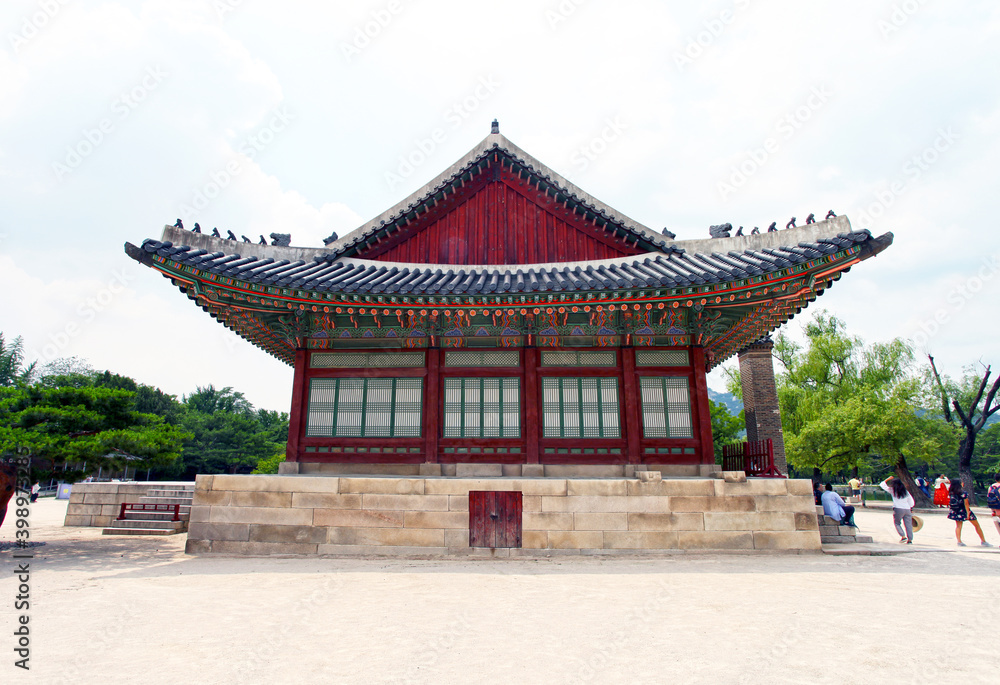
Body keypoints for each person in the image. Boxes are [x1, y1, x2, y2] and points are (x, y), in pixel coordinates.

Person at [947, 479, 992, 547]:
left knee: (958, 526)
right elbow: (966, 504)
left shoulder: (952, 492)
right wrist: (968, 513)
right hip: (964, 510)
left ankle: (959, 541)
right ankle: (983, 541)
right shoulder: (963, 493)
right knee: (977, 525)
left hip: (956, 510)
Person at [879, 477, 915, 543]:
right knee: (908, 525)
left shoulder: (892, 490)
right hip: (907, 509)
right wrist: (910, 507)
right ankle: (910, 539)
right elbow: (911, 502)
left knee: (897, 523)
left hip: (898, 509)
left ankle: (903, 536)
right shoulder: (906, 491)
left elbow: (882, 485)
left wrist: (888, 479)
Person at [985, 473, 1000, 539]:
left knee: (997, 524)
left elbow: (989, 497)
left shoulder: (991, 487)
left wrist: (992, 510)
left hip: (994, 508)